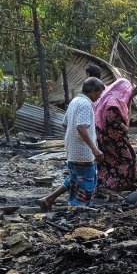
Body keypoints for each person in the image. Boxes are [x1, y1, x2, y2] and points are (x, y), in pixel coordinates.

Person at [38, 77, 105, 211]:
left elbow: (65, 124)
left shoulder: (74, 101)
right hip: (83, 153)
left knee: (74, 179)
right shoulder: (85, 104)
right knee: (87, 182)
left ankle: (48, 199)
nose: (99, 96)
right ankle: (76, 209)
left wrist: (72, 139)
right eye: (98, 93)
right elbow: (81, 127)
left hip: (72, 151)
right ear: (91, 91)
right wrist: (94, 149)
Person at [93, 78, 137, 192]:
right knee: (127, 159)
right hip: (112, 138)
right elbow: (110, 118)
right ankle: (120, 185)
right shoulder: (113, 100)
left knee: (109, 161)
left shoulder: (106, 97)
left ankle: (105, 185)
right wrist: (124, 127)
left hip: (103, 136)